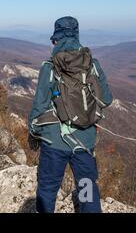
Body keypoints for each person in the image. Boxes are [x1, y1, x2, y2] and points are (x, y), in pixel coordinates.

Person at [28, 16, 113, 213]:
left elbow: (39, 106)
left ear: (56, 39)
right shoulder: (92, 64)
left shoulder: (50, 66)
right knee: (86, 189)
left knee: (48, 189)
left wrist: (33, 132)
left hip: (53, 142)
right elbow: (106, 99)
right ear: (77, 35)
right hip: (85, 142)